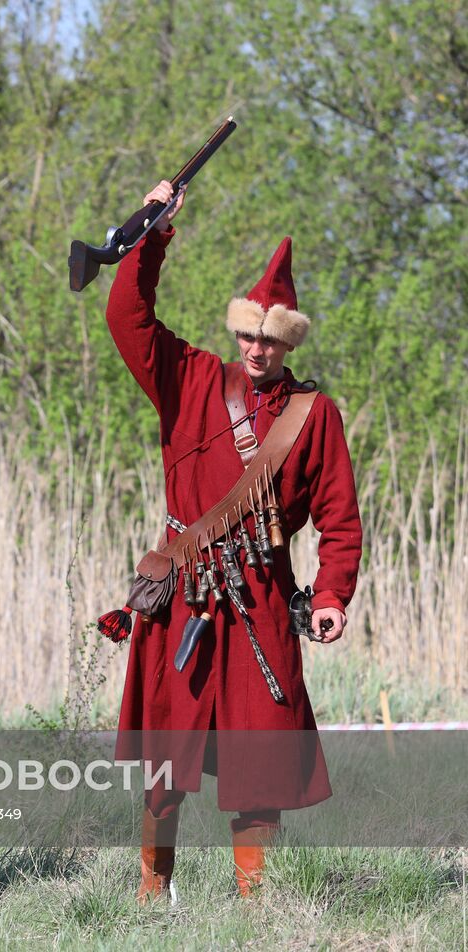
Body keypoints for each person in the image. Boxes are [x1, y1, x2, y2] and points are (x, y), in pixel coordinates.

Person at [105, 180, 362, 900]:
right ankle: (152, 893)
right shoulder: (188, 379)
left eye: (271, 339)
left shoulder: (315, 416)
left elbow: (340, 517)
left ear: (289, 342)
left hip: (262, 594)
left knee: (263, 753)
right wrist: (152, 234)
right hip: (183, 586)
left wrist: (333, 592)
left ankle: (253, 911)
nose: (256, 348)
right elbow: (127, 318)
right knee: (168, 751)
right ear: (236, 332)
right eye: (248, 334)